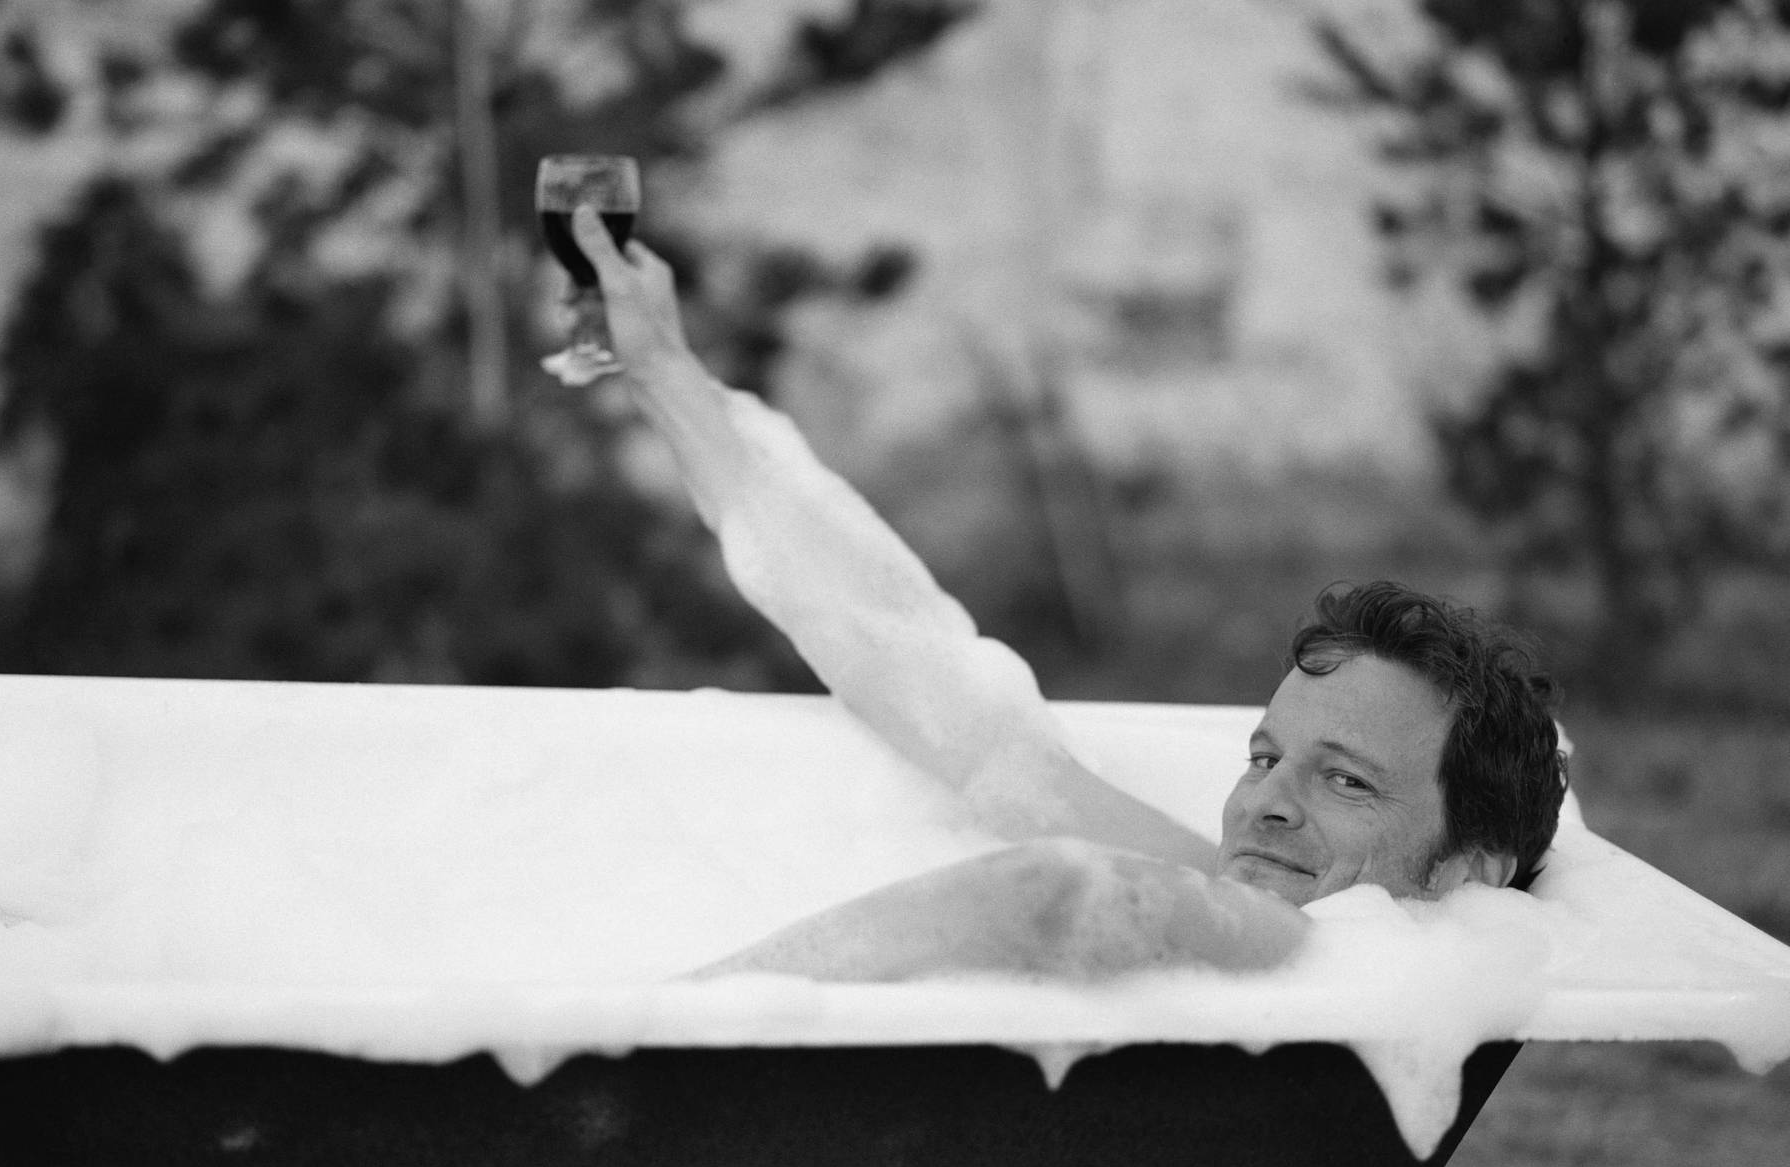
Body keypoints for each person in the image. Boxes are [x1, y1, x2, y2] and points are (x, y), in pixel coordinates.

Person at [566, 206, 1567, 983]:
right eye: (1265, 757)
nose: (1267, 804)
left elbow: (1053, 892)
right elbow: (925, 682)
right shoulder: (1249, 915)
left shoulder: (1286, 947)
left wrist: (655, 1032)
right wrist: (661, 371)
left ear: (1464, 872)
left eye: (1345, 779)